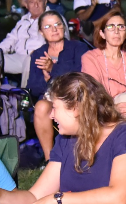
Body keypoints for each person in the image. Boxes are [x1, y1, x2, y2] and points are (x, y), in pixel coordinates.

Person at [0, 73, 126, 204]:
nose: (51, 116)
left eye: (55, 108)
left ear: (76, 109)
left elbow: (119, 197)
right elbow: (34, 197)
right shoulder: (66, 141)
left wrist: (57, 199)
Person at [82, 9, 126, 140]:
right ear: (102, 33)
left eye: (121, 27)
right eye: (110, 27)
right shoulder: (90, 58)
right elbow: (93, 91)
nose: (116, 31)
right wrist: (113, 108)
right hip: (99, 109)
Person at [28, 10, 89, 161]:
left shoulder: (78, 48)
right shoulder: (38, 54)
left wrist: (53, 69)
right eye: (48, 27)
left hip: (76, 97)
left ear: (64, 27)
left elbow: (80, 77)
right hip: (50, 100)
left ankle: (82, 154)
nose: (54, 29)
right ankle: (50, 159)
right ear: (41, 32)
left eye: (57, 25)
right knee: (41, 106)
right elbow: (33, 88)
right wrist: (45, 78)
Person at [0, 0, 58, 79]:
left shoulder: (53, 18)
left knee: (29, 61)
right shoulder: (23, 20)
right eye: (31, 2)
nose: (36, 5)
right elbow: (11, 38)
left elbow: (60, 43)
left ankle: (26, 92)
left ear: (45, 2)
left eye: (39, 1)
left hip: (39, 58)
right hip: (18, 57)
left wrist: (39, 53)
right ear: (26, 4)